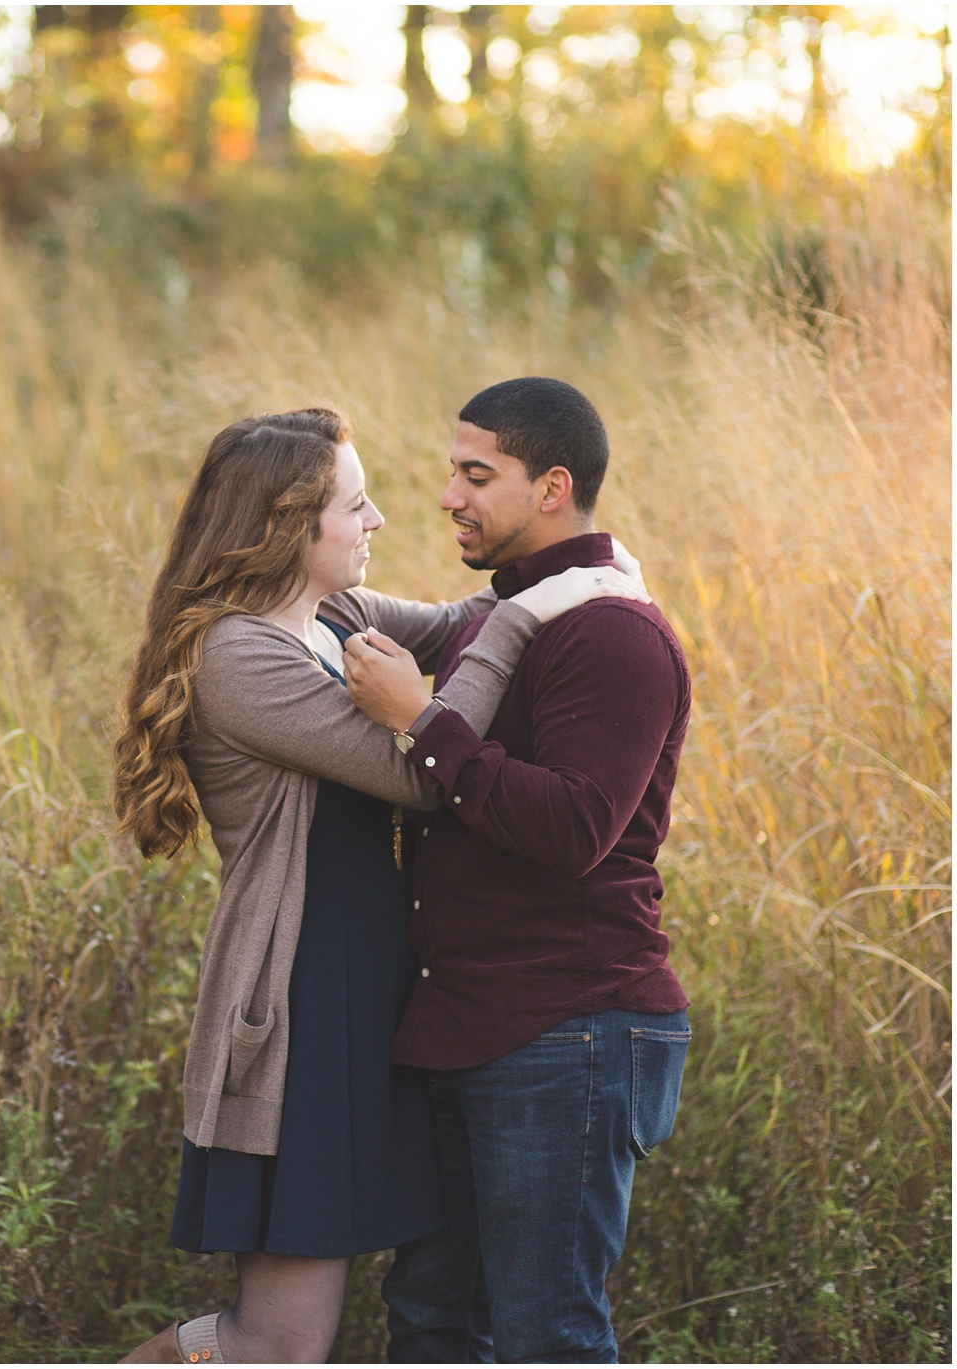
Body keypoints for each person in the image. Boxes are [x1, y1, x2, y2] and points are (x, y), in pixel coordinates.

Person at [111, 408, 649, 1365]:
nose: (379, 522)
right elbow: (413, 765)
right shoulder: (236, 656)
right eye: (356, 507)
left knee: (400, 1315)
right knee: (280, 1343)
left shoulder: (332, 619)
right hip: (300, 999)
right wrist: (533, 611)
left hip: (377, 997)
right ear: (288, 526)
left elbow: (461, 626)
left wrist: (585, 579)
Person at [344, 377, 692, 1363]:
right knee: (431, 1326)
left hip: (568, 1023)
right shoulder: (497, 617)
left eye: (473, 474)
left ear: (551, 486)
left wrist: (419, 722)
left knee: (544, 1336)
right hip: (468, 1022)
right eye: (449, 471)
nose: (447, 495)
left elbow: (575, 825)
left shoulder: (609, 632)